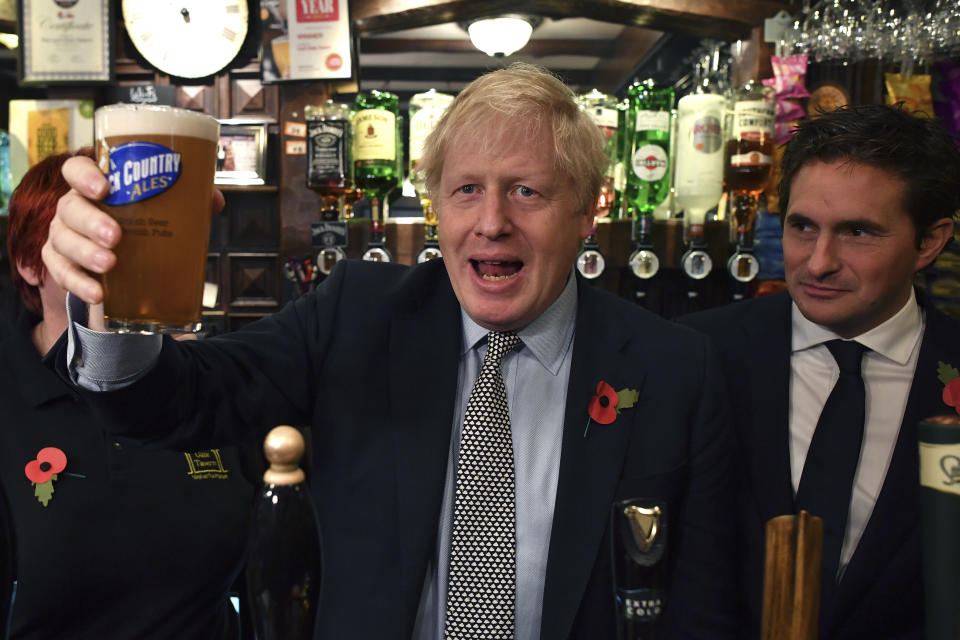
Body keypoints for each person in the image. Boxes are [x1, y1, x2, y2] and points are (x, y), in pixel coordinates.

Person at [42, 64, 737, 639]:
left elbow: (703, 610)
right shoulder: (360, 314)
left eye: (527, 192)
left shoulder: (675, 367)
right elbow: (181, 403)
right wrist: (111, 308)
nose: (492, 222)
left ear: (589, 211)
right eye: (467, 190)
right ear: (436, 204)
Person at [679, 104, 960, 638]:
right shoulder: (697, 353)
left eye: (858, 232)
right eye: (802, 227)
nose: (819, 261)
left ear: (930, 241)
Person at [3, 149, 259, 639]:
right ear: (29, 265)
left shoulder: (205, 383)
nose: (115, 251)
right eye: (89, 236)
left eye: (133, 232)